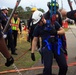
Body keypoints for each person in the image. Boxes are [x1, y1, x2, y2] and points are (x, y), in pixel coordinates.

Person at [31, 10, 68, 75]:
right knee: (47, 69)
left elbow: (63, 31)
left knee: (64, 66)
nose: (38, 24)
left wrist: (56, 32)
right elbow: (35, 39)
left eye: (39, 22)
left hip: (57, 46)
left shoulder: (53, 23)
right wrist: (32, 52)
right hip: (47, 48)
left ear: (42, 18)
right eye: (37, 23)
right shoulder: (37, 28)